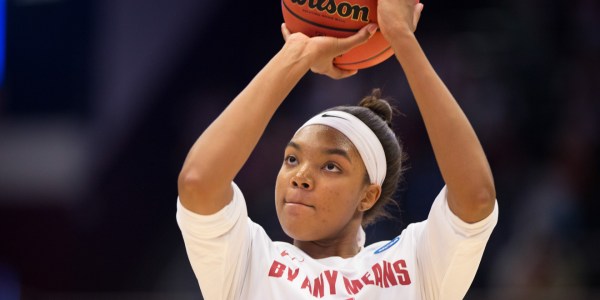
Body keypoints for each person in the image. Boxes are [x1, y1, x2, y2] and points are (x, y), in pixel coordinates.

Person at [176, 0, 498, 299]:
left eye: (331, 166)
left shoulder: (414, 263)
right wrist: (297, 53)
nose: (300, 177)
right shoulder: (247, 260)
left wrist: (401, 37)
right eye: (291, 159)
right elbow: (197, 182)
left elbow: (476, 198)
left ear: (368, 195)